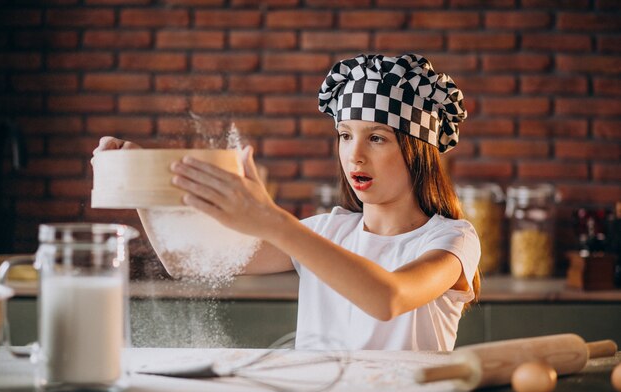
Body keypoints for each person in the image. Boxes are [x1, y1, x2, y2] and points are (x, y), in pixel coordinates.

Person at [93, 53, 481, 351]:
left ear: (417, 151)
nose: (355, 156)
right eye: (345, 136)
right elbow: (184, 259)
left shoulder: (452, 240)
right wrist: (139, 175)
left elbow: (388, 298)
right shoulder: (328, 231)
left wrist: (272, 221)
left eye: (376, 138)